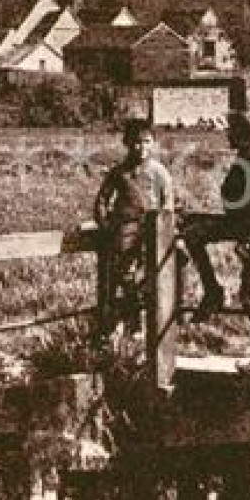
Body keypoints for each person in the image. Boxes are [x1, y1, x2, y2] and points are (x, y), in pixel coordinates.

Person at [182, 111, 250, 372]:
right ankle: (212, 290)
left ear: (242, 134)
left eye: (232, 131)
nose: (227, 135)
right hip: (245, 226)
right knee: (194, 234)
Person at [94, 117, 176, 336]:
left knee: (154, 277)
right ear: (127, 143)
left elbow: (168, 202)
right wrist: (106, 226)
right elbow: (102, 201)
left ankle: (162, 327)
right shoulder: (119, 173)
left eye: (147, 141)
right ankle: (130, 322)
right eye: (136, 142)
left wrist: (163, 227)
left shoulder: (159, 172)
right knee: (124, 277)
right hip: (124, 233)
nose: (142, 148)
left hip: (151, 232)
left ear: (153, 143)